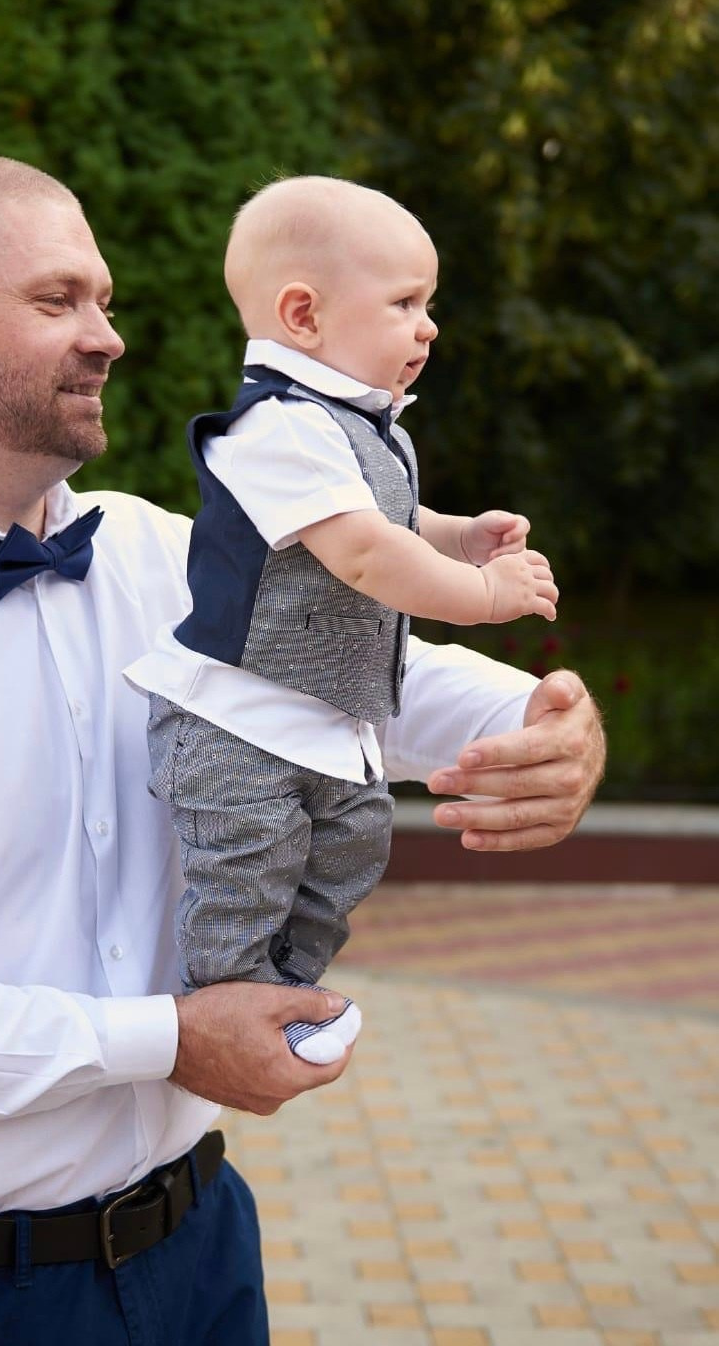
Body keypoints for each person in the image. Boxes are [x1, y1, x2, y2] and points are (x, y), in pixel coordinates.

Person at [0, 153, 604, 1346]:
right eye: (57, 299)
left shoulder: (164, 557)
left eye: (104, 300)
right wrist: (165, 1038)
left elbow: (375, 675)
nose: (107, 336)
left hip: (199, 1253)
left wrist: (549, 728)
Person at [127, 176, 559, 1066]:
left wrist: (456, 535)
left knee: (350, 848)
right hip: (238, 724)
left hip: (322, 724)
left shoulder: (357, 425)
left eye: (428, 305)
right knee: (245, 872)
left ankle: (286, 994)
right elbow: (362, 552)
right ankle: (227, 1003)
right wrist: (481, 595)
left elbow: (391, 522)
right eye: (404, 303)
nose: (427, 327)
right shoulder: (278, 426)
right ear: (303, 314)